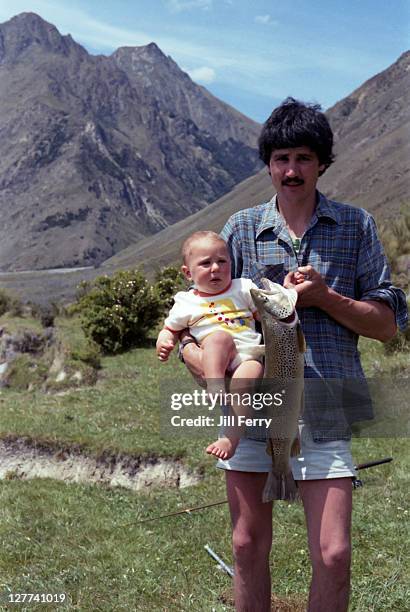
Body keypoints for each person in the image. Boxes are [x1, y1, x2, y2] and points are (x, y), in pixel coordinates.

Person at [180, 98, 408, 611]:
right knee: (245, 546)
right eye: (281, 158)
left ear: (322, 162)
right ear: (267, 165)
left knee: (333, 555)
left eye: (304, 158)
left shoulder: (356, 226)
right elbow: (198, 313)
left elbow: (389, 324)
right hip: (253, 410)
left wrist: (325, 297)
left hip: (328, 407)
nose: (291, 170)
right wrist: (201, 362)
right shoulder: (239, 230)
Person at [156, 230, 265, 460]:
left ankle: (230, 438)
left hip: (246, 355)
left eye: (222, 261)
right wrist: (164, 341)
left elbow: (262, 315)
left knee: (251, 374)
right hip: (215, 356)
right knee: (219, 338)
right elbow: (170, 328)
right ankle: (215, 385)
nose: (215, 268)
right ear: (188, 273)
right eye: (206, 263)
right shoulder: (187, 302)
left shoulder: (243, 288)